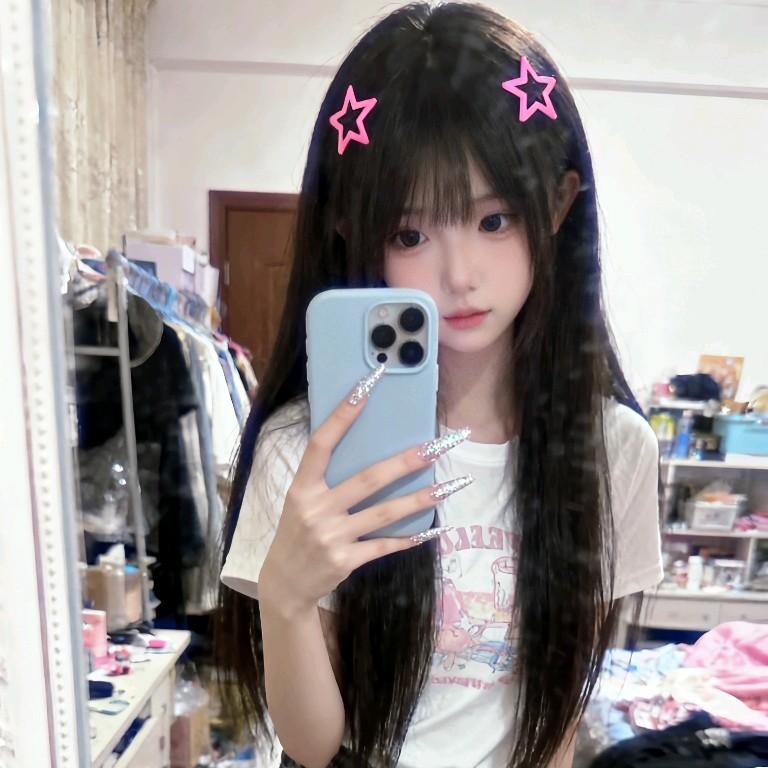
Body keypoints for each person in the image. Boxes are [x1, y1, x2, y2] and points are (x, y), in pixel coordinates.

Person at [215, 3, 663, 767]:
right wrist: (287, 599)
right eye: (411, 233)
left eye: (494, 221)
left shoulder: (611, 449)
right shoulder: (306, 448)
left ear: (557, 204)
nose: (459, 275)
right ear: (354, 230)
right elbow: (313, 745)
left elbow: (556, 717)